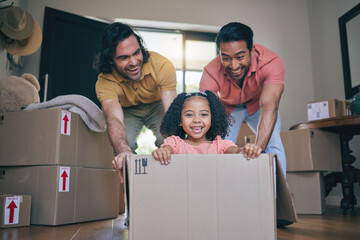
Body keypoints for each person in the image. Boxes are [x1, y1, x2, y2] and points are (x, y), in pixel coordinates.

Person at [93, 22, 177, 182]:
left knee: (167, 139)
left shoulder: (162, 65)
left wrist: (172, 144)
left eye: (136, 53)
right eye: (124, 57)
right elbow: (113, 118)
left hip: (157, 105)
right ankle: (138, 182)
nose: (133, 62)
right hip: (128, 111)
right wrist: (123, 150)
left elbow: (171, 113)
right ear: (110, 60)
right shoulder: (104, 82)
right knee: (124, 145)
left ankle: (167, 181)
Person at [199, 22, 286, 175]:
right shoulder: (211, 71)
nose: (233, 65)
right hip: (228, 107)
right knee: (219, 148)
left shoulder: (271, 62)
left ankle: (278, 196)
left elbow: (269, 106)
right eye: (226, 58)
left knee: (273, 143)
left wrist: (258, 146)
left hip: (259, 105)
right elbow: (203, 110)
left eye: (240, 57)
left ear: (251, 50)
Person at [152, 90, 256, 165]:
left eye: (204, 114)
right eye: (189, 115)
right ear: (179, 120)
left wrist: (247, 150)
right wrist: (162, 152)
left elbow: (237, 152)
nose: (197, 120)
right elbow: (166, 150)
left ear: (213, 119)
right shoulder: (174, 143)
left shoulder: (221, 145)